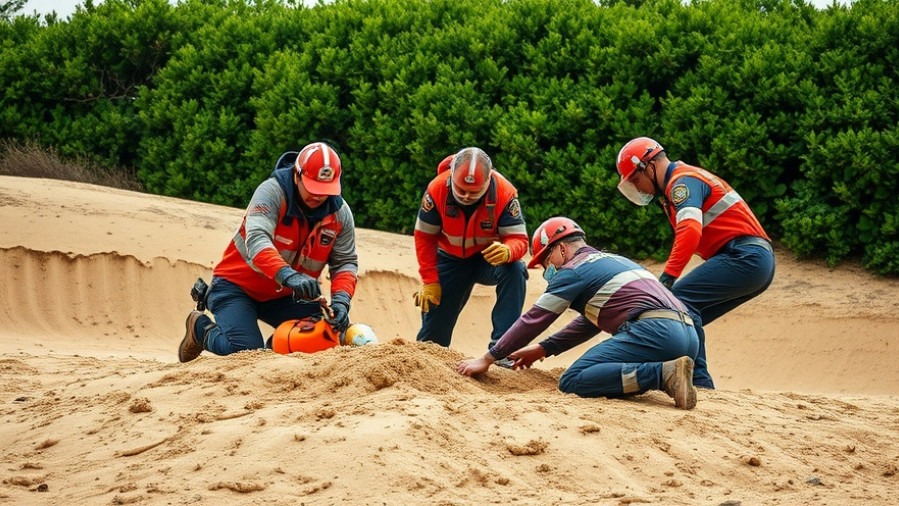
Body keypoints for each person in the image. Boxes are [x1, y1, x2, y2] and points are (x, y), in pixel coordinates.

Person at [456, 217, 700, 410]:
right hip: (689, 337)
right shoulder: (615, 260)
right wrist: (544, 349)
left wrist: (489, 358)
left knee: (574, 379)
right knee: (606, 367)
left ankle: (662, 375)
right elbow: (590, 322)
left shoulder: (573, 270)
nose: (546, 269)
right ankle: (669, 371)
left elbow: (535, 318)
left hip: (655, 333)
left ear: (561, 249)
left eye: (545, 259)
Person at [615, 137, 776, 389]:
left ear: (649, 167)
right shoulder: (680, 181)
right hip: (753, 259)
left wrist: (667, 279)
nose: (640, 189)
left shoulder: (682, 182)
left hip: (746, 256)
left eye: (636, 180)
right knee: (684, 318)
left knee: (678, 304)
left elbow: (690, 230)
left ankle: (700, 383)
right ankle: (687, 376)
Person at [178, 141, 358, 362]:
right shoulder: (271, 193)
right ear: (297, 175)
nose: (318, 196)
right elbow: (257, 241)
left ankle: (276, 351)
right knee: (246, 353)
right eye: (312, 187)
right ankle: (200, 329)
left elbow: (345, 263)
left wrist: (341, 302)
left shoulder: (341, 215)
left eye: (325, 190)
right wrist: (289, 276)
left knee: (332, 334)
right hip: (236, 288)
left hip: (287, 297)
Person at [413, 147, 528, 359]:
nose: (466, 196)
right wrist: (430, 280)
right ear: (451, 178)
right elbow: (424, 237)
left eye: (474, 192)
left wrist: (508, 251)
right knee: (432, 340)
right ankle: (429, 360)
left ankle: (503, 351)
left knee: (515, 270)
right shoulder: (436, 188)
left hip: (489, 259)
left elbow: (519, 240)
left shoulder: (505, 192)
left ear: (488, 181)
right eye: (460, 189)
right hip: (450, 260)